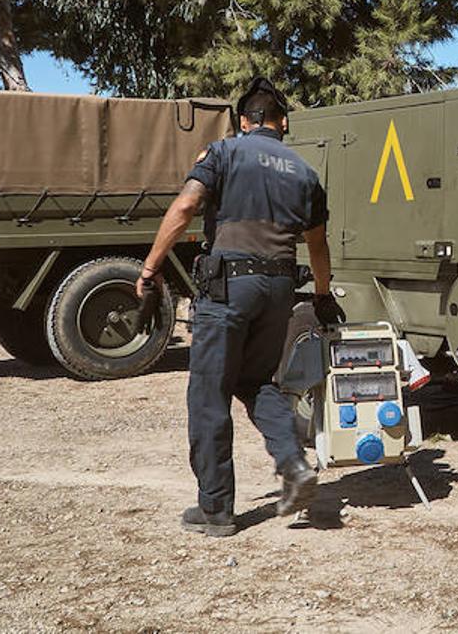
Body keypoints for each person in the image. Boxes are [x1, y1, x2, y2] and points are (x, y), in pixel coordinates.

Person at [138, 76, 346, 537]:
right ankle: (292, 462)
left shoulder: (223, 152)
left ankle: (215, 509)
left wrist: (151, 268)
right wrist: (323, 295)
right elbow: (318, 246)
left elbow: (185, 207)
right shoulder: (305, 173)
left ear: (245, 121)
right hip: (277, 289)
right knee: (258, 384)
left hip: (229, 287)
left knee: (209, 391)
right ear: (283, 122)